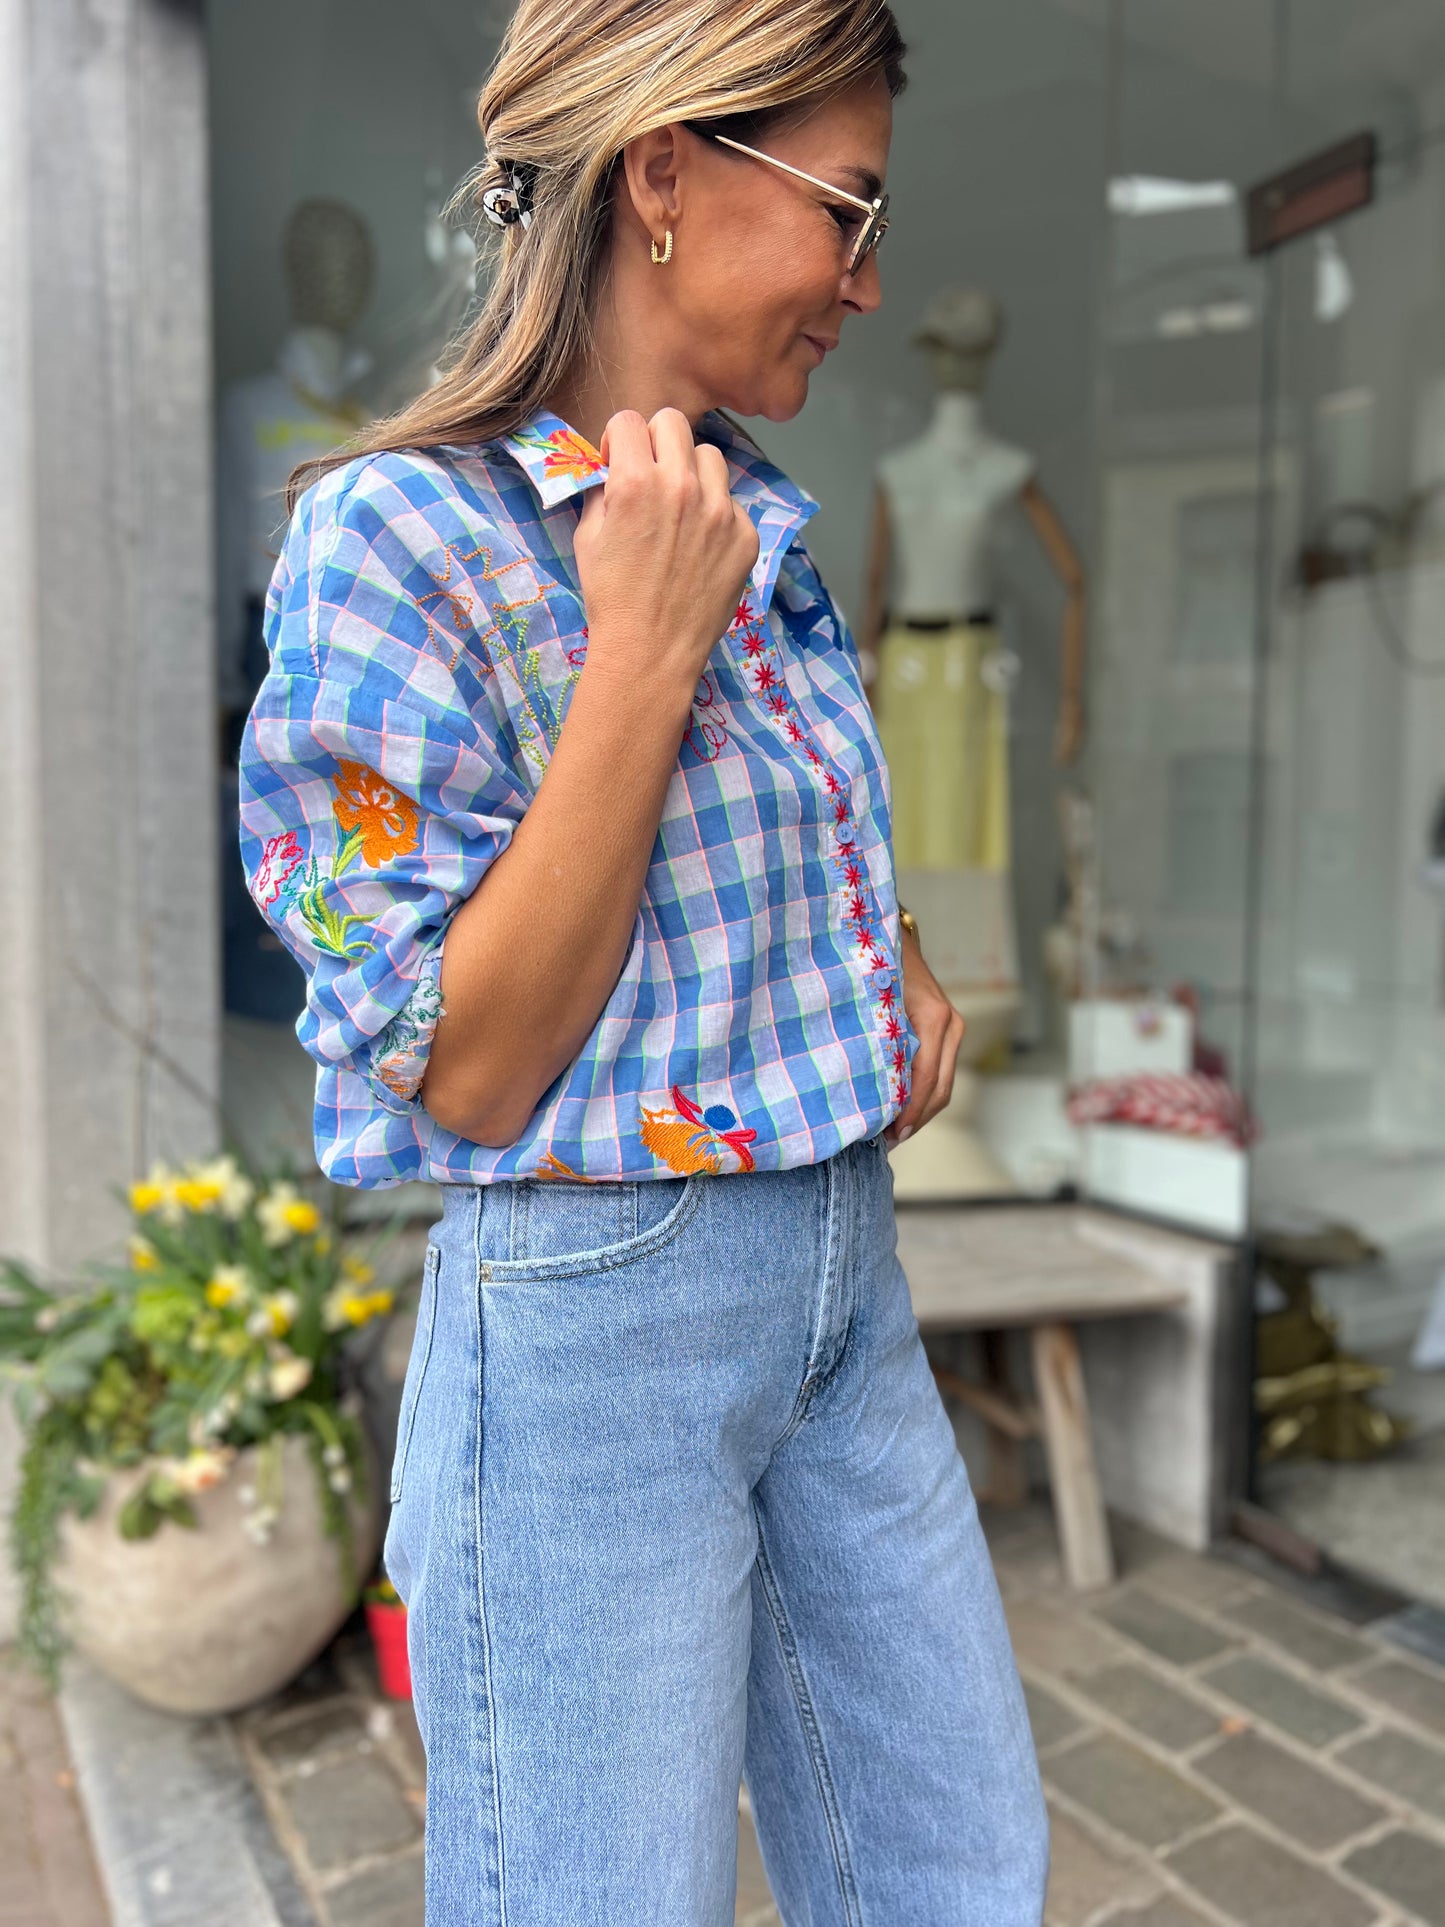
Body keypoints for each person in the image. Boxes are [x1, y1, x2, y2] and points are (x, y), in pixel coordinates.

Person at [239, 1, 1049, 1920]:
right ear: (667, 175)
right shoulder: (399, 540)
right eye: (846, 211)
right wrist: (640, 648)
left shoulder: (749, 512)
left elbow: (760, 837)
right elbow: (466, 1062)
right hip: (599, 1321)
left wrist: (893, 958)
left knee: (954, 1864)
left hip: (843, 1278)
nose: (867, 280)